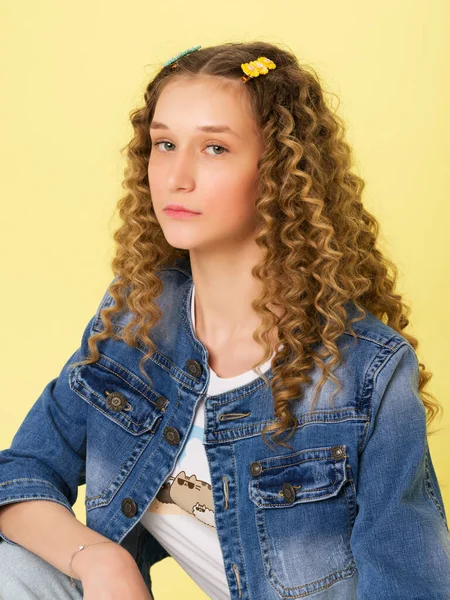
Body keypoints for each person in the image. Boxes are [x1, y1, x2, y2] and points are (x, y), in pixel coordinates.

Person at [0, 40, 449, 600]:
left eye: (214, 148)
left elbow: (411, 584)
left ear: (282, 173)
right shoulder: (139, 316)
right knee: (10, 567)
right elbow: (20, 474)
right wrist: (103, 561)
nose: (176, 176)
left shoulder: (366, 370)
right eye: (164, 144)